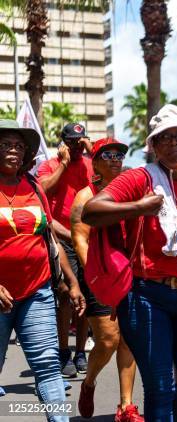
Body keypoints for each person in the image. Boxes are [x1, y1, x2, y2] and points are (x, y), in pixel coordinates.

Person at [82, 104, 177, 420]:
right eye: (165, 138)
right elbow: (91, 211)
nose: (174, 144)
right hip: (147, 297)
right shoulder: (139, 180)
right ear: (154, 145)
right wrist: (140, 207)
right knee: (159, 388)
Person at [0, 119, 86, 422]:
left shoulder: (33, 187)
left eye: (19, 146)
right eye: (6, 144)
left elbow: (48, 236)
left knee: (48, 366)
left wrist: (72, 282)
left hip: (37, 292)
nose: (13, 150)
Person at [70, 138, 143, 421]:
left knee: (129, 339)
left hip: (130, 274)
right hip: (99, 277)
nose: (115, 159)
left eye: (119, 155)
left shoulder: (130, 191)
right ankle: (89, 383)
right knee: (109, 341)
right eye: (108, 155)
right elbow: (80, 239)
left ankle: (126, 407)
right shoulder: (85, 196)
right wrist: (100, 283)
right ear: (96, 161)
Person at [37, 123, 93, 378]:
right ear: (62, 143)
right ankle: (62, 351)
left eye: (79, 142)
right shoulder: (51, 164)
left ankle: (80, 351)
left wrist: (92, 152)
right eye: (71, 142)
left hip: (90, 240)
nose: (76, 147)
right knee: (66, 295)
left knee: (86, 297)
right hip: (61, 235)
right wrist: (63, 163)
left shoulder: (90, 164)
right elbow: (42, 193)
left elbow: (109, 185)